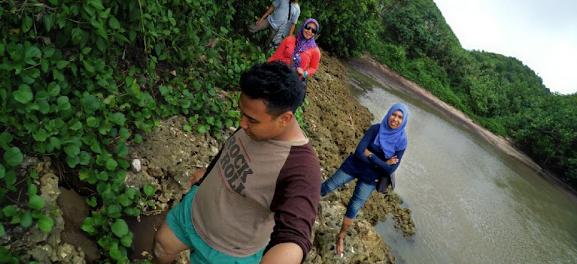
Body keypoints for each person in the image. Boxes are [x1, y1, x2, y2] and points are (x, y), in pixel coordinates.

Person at [153, 61, 321, 264]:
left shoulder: (301, 169)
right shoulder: (257, 125)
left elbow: (294, 235)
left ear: (284, 118)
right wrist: (207, 173)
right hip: (193, 211)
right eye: (242, 112)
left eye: (251, 119)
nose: (242, 123)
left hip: (228, 252)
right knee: (161, 247)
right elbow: (233, 149)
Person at [321, 103, 409, 255]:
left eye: (400, 117)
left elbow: (390, 169)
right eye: (394, 114)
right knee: (329, 186)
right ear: (389, 114)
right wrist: (381, 163)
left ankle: (340, 236)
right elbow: (358, 152)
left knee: (354, 207)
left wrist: (371, 155)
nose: (395, 119)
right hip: (354, 165)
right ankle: (303, 201)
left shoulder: (402, 142)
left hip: (370, 178)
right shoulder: (376, 129)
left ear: (404, 120)